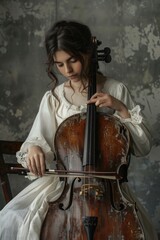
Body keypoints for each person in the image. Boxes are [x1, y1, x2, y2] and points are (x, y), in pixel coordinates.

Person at [0, 20, 158, 240]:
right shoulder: (55, 98)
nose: (68, 70)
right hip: (65, 189)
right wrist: (35, 148)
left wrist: (120, 108)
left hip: (109, 191)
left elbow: (142, 146)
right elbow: (39, 138)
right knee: (18, 220)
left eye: (73, 60)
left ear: (87, 52)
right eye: (60, 64)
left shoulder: (115, 89)